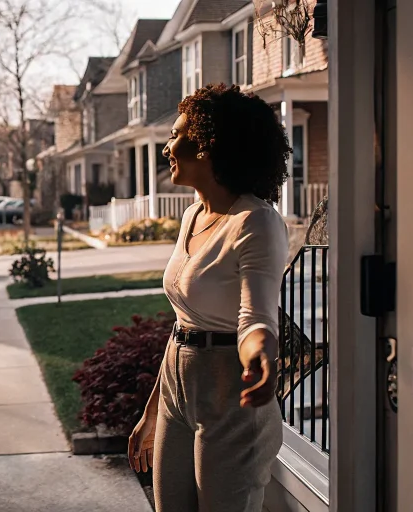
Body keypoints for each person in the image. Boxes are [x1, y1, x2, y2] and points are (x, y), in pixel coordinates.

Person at [128, 84, 292, 511]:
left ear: (208, 146)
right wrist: (152, 410)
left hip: (230, 395)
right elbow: (185, 323)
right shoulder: (192, 215)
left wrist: (260, 354)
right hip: (177, 394)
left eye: (176, 136)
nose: (168, 147)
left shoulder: (255, 221)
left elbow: (255, 317)